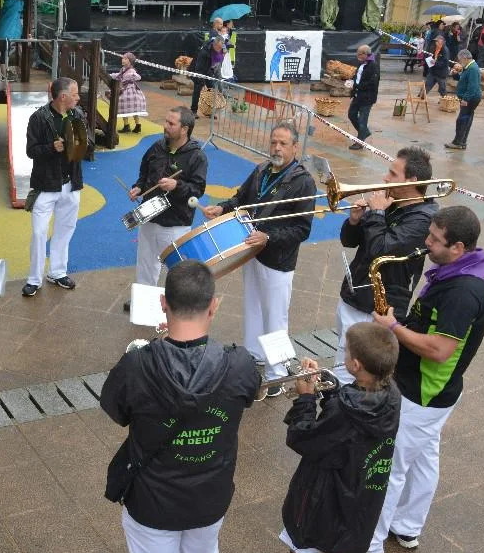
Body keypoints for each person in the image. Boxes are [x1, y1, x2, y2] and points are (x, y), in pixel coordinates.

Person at [100, 260, 261, 553]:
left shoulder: (136, 365)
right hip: (209, 496)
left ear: (163, 303)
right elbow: (250, 393)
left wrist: (157, 346)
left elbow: (117, 412)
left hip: (152, 499)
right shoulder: (240, 364)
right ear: (213, 306)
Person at [366, 206, 484, 553]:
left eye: (435, 240)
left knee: (391, 465)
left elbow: (439, 350)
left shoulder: (462, 292)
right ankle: (408, 527)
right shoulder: (465, 269)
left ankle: (371, 541)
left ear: (458, 247)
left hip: (423, 392)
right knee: (424, 459)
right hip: (437, 392)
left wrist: (394, 328)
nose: (426, 243)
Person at [281, 322, 401, 553]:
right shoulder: (392, 395)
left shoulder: (344, 411)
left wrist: (306, 399)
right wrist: (329, 388)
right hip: (362, 496)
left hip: (322, 496)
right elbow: (350, 412)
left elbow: (303, 437)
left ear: (355, 365)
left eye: (346, 351)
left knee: (303, 550)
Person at [200, 122, 316, 394]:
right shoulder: (262, 169)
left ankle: (277, 375)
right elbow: (241, 200)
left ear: (295, 147)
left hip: (278, 260)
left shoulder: (303, 181)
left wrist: (269, 237)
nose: (276, 147)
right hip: (252, 251)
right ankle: (254, 356)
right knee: (252, 307)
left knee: (275, 318)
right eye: (273, 141)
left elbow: (302, 229)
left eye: (283, 143)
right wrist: (223, 209)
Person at [333, 147, 437, 386]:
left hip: (376, 306)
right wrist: (354, 221)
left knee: (350, 372)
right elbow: (350, 241)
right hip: (355, 294)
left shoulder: (422, 219)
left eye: (392, 173)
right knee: (343, 358)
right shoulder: (392, 203)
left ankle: (341, 404)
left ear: (412, 180)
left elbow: (381, 249)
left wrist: (377, 213)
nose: (385, 178)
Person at [126, 106, 207, 307]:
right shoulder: (157, 146)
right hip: (149, 215)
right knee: (145, 263)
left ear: (184, 129)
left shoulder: (197, 156)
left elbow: (197, 189)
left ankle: (175, 307)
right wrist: (138, 187)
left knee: (176, 270)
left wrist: (176, 185)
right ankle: (144, 303)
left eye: (171, 123)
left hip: (176, 222)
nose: (165, 126)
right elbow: (145, 173)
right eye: (166, 121)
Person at [22, 77, 86, 297]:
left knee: (65, 229)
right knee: (39, 233)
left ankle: (57, 272)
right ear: (63, 97)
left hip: (71, 184)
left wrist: (80, 145)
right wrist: (52, 147)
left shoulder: (78, 115)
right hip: (46, 185)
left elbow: (88, 144)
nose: (78, 98)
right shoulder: (39, 117)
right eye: (75, 94)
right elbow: (31, 150)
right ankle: (34, 279)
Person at [445, 50, 482, 151]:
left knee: (462, 120)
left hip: (471, 98)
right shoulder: (469, 67)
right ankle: (462, 142)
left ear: (465, 58)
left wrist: (466, 99)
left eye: (460, 60)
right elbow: (463, 79)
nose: (459, 62)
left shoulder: (472, 68)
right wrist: (455, 75)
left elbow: (473, 86)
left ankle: (458, 143)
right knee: (466, 120)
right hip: (470, 97)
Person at [347, 45, 379, 150]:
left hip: (367, 98)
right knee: (351, 115)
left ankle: (360, 142)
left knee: (362, 120)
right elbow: (358, 76)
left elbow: (373, 83)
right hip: (357, 95)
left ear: (365, 54)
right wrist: (352, 81)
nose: (358, 56)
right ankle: (364, 132)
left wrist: (357, 86)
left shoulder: (373, 65)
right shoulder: (361, 63)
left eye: (359, 54)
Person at [112, 52, 148, 133]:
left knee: (133, 109)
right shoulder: (123, 69)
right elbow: (119, 75)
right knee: (124, 107)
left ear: (130, 61)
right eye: (123, 58)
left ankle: (137, 125)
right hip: (124, 89)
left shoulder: (131, 70)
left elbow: (138, 77)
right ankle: (127, 125)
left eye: (125, 59)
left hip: (130, 91)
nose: (123, 60)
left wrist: (133, 76)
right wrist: (112, 75)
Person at [190, 36, 227, 116]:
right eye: (219, 47)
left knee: (212, 89)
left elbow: (218, 61)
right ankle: (193, 111)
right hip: (197, 69)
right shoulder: (204, 52)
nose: (220, 49)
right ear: (214, 45)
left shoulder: (221, 48)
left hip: (208, 69)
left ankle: (210, 110)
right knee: (197, 89)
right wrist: (201, 81)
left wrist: (213, 72)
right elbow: (198, 68)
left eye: (221, 47)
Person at [0, 0, 24, 80]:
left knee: (4, 54)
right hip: (11, 31)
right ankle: (6, 75)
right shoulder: (18, 2)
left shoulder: (3, 1)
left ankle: (5, 75)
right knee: (7, 54)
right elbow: (22, 7)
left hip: (2, 31)